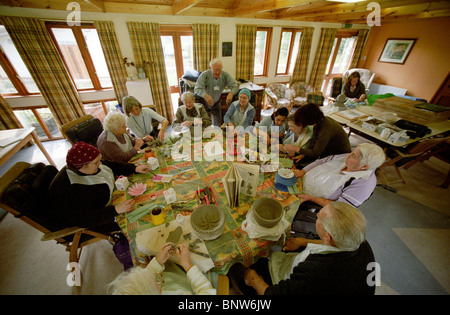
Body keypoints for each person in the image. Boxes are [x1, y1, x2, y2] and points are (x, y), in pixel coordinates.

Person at [238, 202, 376, 295]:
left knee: (243, 273)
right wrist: (303, 242)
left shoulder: (317, 271)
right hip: (340, 281)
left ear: (327, 237)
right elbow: (330, 243)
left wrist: (254, 279)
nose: (316, 217)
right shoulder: (360, 242)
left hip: (319, 285)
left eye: (319, 218)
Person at [293, 143, 386, 208]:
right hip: (301, 183)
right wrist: (302, 171)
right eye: (352, 152)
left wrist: (310, 198)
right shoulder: (346, 157)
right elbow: (321, 161)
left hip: (310, 201)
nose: (348, 155)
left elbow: (339, 206)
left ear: (364, 166)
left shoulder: (364, 184)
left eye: (353, 156)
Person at [108, 243, 216, 295]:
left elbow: (143, 282)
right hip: (189, 286)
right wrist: (188, 266)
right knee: (212, 268)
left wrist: (157, 262)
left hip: (178, 280)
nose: (157, 277)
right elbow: (207, 292)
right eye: (156, 282)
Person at [281, 103, 351, 167]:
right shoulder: (319, 121)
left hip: (339, 156)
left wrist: (296, 149)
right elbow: (314, 144)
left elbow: (316, 152)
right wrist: (303, 155)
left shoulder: (325, 130)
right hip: (325, 150)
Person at [194, 59, 239, 126]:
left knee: (218, 124)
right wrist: (206, 96)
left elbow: (235, 87)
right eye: (215, 70)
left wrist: (231, 93)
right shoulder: (204, 75)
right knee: (206, 124)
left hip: (217, 102)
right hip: (205, 103)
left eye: (219, 69)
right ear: (211, 68)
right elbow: (197, 89)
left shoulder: (225, 75)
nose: (217, 72)